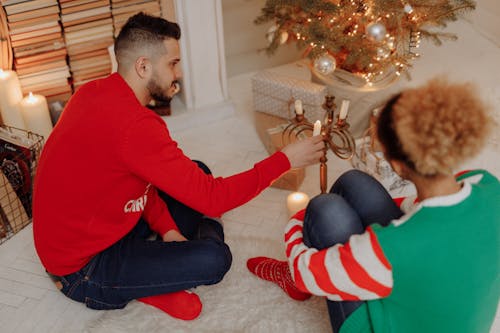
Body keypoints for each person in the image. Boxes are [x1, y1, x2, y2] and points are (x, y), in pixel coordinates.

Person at [32, 12, 324, 320]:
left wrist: (167, 228)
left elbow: (135, 180)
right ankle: (149, 283)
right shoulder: (136, 127)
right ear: (143, 66)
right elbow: (212, 197)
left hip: (105, 225)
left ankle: (154, 276)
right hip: (82, 270)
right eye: (172, 63)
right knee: (215, 258)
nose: (179, 73)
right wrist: (286, 160)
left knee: (197, 170)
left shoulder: (92, 91)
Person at [247, 78, 499, 333]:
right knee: (354, 181)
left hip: (389, 317)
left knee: (324, 208)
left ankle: (309, 275)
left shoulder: (395, 247)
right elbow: (421, 209)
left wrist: (296, 222)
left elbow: (305, 273)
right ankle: (352, 269)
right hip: (429, 299)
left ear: (399, 166)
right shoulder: (488, 184)